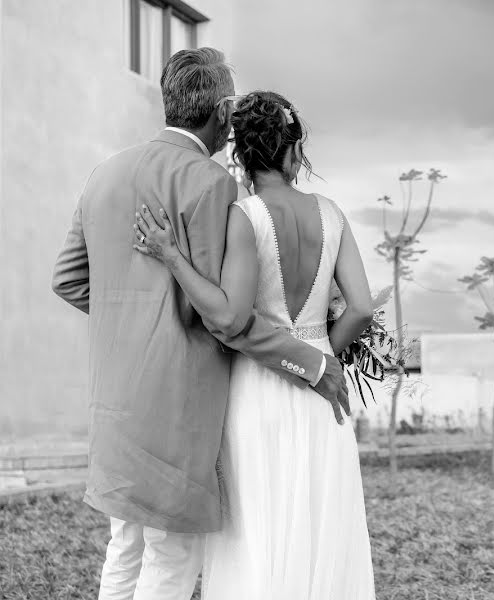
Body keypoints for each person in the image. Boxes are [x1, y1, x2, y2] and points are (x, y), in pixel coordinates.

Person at [51, 48, 349, 600]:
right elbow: (228, 320)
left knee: (125, 548)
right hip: (176, 404)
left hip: (114, 402)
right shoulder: (211, 185)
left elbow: (68, 281)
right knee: (172, 557)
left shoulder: (104, 173)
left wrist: (132, 314)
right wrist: (311, 363)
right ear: (219, 112)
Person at [133, 90, 377, 598]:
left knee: (259, 532)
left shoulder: (244, 217)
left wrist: (171, 257)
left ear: (241, 154)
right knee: (319, 525)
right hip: (321, 394)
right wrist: (323, 354)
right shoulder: (332, 214)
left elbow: (229, 315)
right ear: (293, 151)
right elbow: (359, 307)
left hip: (258, 392)